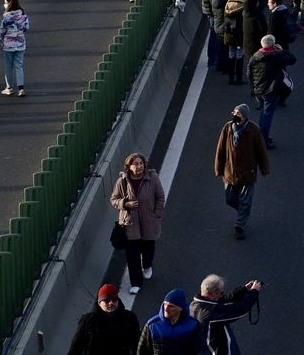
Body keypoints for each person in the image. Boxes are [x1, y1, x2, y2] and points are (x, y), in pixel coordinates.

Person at [109, 152, 167, 295]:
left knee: (148, 250)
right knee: (132, 255)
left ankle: (147, 265)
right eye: (136, 164)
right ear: (129, 166)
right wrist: (125, 203)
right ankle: (136, 283)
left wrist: (157, 214)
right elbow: (114, 199)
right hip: (130, 225)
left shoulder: (152, 178)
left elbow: (160, 197)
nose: (139, 166)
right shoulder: (122, 181)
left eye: (141, 163)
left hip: (149, 222)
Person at [211, 102, 270, 240]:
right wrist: (218, 168)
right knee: (230, 199)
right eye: (235, 113)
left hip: (247, 174)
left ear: (245, 117)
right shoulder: (227, 128)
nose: (236, 116)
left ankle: (240, 226)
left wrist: (264, 168)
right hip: (230, 173)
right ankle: (244, 211)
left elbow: (261, 151)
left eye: (239, 114)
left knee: (244, 200)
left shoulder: (253, 130)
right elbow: (220, 149)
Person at [189, 274, 263, 352]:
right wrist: (254, 292)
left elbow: (224, 302)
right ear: (213, 293)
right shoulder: (211, 312)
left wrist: (243, 290)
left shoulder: (195, 304)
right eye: (221, 292)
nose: (222, 295)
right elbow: (240, 309)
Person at [66, 283, 138, 355]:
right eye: (106, 300)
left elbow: (137, 345)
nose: (111, 303)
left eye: (114, 299)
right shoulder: (88, 320)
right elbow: (76, 346)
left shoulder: (129, 318)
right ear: (99, 302)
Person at [134, 290, 203, 354]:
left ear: (181, 308)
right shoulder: (152, 325)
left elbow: (199, 349)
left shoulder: (193, 325)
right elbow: (142, 350)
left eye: (171, 306)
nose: (166, 308)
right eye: (165, 304)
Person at [0, 0, 27, 96]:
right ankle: (21, 88)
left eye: (5, 3)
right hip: (20, 43)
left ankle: (9, 87)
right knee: (19, 66)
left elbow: (2, 31)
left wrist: (1, 41)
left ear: (9, 4)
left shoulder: (6, 16)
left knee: (8, 66)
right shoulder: (23, 15)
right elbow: (26, 28)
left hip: (8, 44)